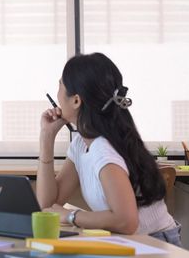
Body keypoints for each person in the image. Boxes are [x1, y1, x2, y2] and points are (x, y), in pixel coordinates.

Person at [37, 52, 181, 246]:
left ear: (76, 100)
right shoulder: (81, 144)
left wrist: (71, 216)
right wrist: (47, 138)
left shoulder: (103, 151)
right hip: (131, 242)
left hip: (154, 244)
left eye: (60, 86)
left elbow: (126, 221)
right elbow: (48, 205)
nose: (57, 95)